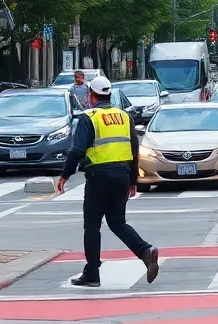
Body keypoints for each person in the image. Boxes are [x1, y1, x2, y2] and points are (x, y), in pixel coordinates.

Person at [56, 74, 160, 288]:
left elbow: (77, 150)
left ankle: (92, 273)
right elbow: (134, 150)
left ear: (91, 95)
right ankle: (145, 251)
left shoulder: (89, 117)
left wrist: (65, 175)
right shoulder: (124, 116)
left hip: (99, 177)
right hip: (122, 176)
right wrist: (133, 181)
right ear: (109, 94)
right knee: (117, 222)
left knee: (92, 226)